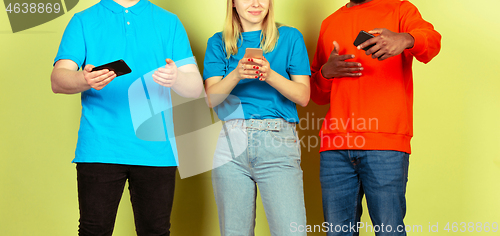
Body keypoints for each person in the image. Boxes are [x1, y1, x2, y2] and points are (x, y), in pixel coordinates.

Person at [50, 0, 203, 235]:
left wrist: (177, 78)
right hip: (100, 147)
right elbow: (58, 79)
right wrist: (85, 79)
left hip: (157, 150)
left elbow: (195, 89)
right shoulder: (83, 20)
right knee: (94, 230)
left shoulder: (168, 22)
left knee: (156, 231)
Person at [310, 0, 441, 235]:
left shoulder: (400, 9)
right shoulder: (329, 23)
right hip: (335, 146)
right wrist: (326, 73)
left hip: (385, 144)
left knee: (389, 231)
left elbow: (432, 42)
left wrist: (404, 39)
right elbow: (317, 95)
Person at [203, 0, 311, 235]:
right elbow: (211, 99)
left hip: (277, 141)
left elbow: (303, 96)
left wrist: (270, 74)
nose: (255, 3)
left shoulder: (290, 37)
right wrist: (236, 74)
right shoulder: (218, 42)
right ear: (233, 3)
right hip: (230, 145)